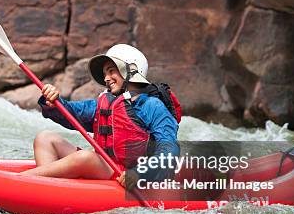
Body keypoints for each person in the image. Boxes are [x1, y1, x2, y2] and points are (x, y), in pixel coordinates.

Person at [22, 44, 180, 187]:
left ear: (131, 71)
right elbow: (71, 112)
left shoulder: (153, 106)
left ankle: (21, 180)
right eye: (105, 73)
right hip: (105, 167)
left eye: (111, 71)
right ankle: (44, 189)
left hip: (127, 176)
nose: (105, 78)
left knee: (85, 158)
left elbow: (169, 150)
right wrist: (53, 101)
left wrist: (140, 174)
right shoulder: (105, 103)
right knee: (45, 138)